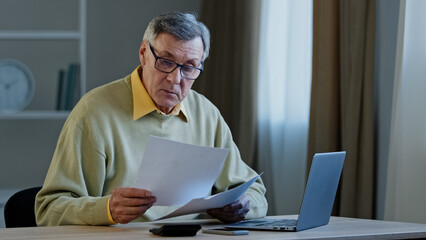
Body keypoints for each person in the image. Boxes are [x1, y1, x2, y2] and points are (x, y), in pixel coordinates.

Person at [35, 12, 267, 226]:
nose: (175, 79)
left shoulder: (206, 113)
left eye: (189, 67)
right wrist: (106, 209)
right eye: (166, 62)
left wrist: (243, 205)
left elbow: (255, 192)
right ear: (144, 54)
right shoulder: (94, 111)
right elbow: (48, 210)